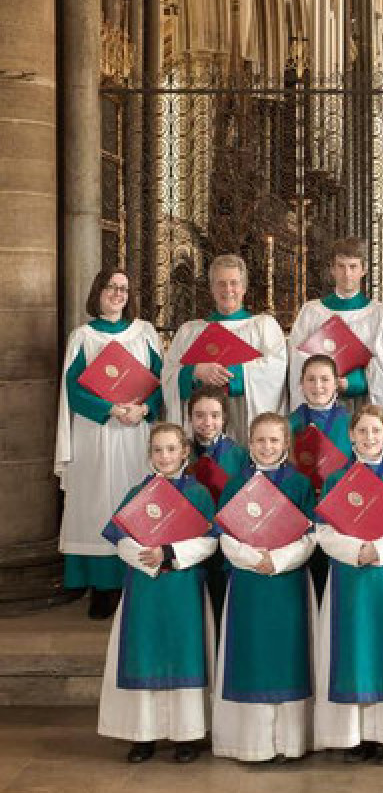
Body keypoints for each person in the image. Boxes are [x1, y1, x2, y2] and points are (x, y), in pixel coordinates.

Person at [97, 423, 216, 763]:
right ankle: (142, 735)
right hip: (144, 588)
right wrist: (147, 558)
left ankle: (186, 735)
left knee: (184, 654)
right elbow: (119, 535)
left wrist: (170, 554)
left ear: (184, 452)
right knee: (143, 653)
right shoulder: (138, 492)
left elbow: (209, 540)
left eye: (171, 449)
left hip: (183, 586)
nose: (164, 456)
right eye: (157, 450)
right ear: (150, 454)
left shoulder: (198, 494)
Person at [313, 405, 383, 763]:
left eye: (376, 431)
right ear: (351, 436)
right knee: (353, 649)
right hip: (349, 576)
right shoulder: (335, 480)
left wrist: (377, 550)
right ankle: (354, 735)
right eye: (362, 431)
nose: (370, 438)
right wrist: (356, 551)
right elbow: (324, 532)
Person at [55, 268, 163, 619]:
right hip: (97, 434)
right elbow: (73, 390)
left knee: (133, 501)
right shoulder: (83, 336)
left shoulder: (144, 333)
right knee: (99, 503)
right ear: (97, 292)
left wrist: (145, 407)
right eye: (110, 288)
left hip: (137, 433)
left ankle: (134, 583)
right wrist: (110, 408)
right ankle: (102, 589)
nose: (118, 294)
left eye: (123, 289)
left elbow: (164, 380)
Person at [211, 413, 316, 763]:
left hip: (287, 582)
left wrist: (280, 560)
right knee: (252, 654)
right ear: (250, 443)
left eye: (274, 441)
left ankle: (290, 742)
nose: (267, 447)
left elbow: (311, 534)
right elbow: (224, 533)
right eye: (260, 441)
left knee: (288, 657)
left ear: (286, 443)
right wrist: (252, 559)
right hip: (248, 583)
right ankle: (251, 744)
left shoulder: (300, 485)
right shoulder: (235, 484)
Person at [162, 254, 287, 446]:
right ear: (212, 289)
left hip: (243, 415)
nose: (228, 289)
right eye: (221, 283)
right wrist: (195, 372)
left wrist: (231, 374)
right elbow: (168, 373)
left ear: (244, 288)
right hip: (202, 422)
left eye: (234, 283)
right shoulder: (190, 331)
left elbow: (276, 369)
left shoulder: (263, 326)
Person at [287, 237, 383, 411]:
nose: (347, 274)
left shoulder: (379, 314)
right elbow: (299, 360)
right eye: (341, 266)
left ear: (364, 270)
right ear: (332, 269)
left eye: (353, 267)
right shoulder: (312, 311)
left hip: (362, 404)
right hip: (318, 401)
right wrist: (323, 381)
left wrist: (352, 382)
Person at [186, 386, 250, 619]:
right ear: (190, 417)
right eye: (199, 415)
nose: (207, 422)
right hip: (192, 540)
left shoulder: (240, 455)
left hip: (228, 541)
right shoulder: (181, 454)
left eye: (214, 415)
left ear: (225, 418)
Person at [288, 354, 352, 479]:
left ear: (336, 383)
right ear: (301, 383)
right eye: (311, 379)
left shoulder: (351, 422)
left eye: (325, 379)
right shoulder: (289, 423)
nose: (318, 386)